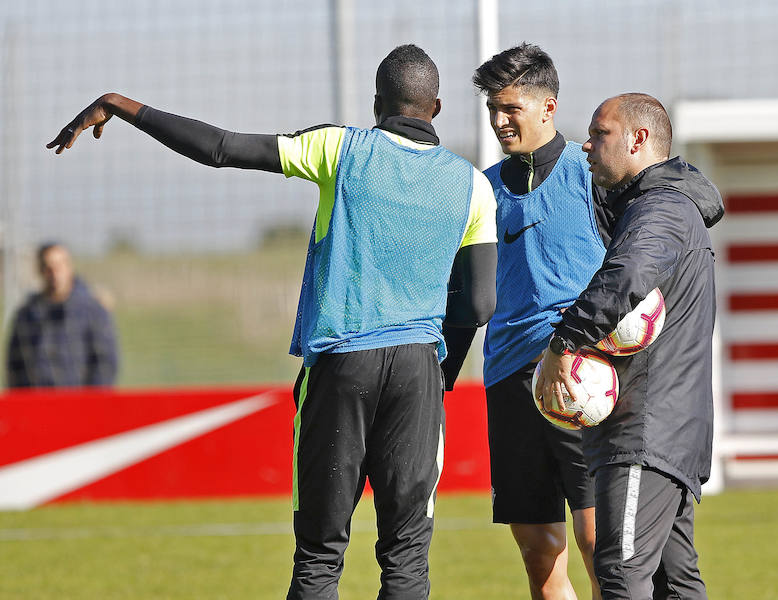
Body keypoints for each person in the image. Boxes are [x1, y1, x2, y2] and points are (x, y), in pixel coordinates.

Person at [47, 44, 498, 599]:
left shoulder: (341, 148)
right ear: (438, 107)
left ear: (377, 103)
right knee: (406, 558)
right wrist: (437, 372)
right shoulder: (473, 185)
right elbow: (479, 304)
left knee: (319, 552)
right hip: (418, 372)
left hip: (341, 363)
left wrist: (121, 105)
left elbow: (219, 149)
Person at [536, 93, 724, 599]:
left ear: (638, 140)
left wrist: (565, 343)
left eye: (600, 134)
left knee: (620, 574)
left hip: (647, 431)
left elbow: (630, 277)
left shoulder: (660, 209)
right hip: (664, 432)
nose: (587, 144)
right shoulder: (653, 206)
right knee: (674, 583)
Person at [452, 43, 609, 600]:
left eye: (510, 108)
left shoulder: (594, 175)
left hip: (582, 375)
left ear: (548, 106)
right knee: (539, 552)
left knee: (601, 544)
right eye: (493, 108)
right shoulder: (481, 189)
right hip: (509, 381)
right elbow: (464, 291)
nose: (498, 121)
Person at [6, 242, 118, 388]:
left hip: (78, 404)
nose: (54, 273)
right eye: (48, 268)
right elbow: (15, 365)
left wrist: (92, 403)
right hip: (37, 405)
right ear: (40, 270)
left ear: (69, 267)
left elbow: (105, 364)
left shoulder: (92, 311)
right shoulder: (26, 315)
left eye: (59, 266)